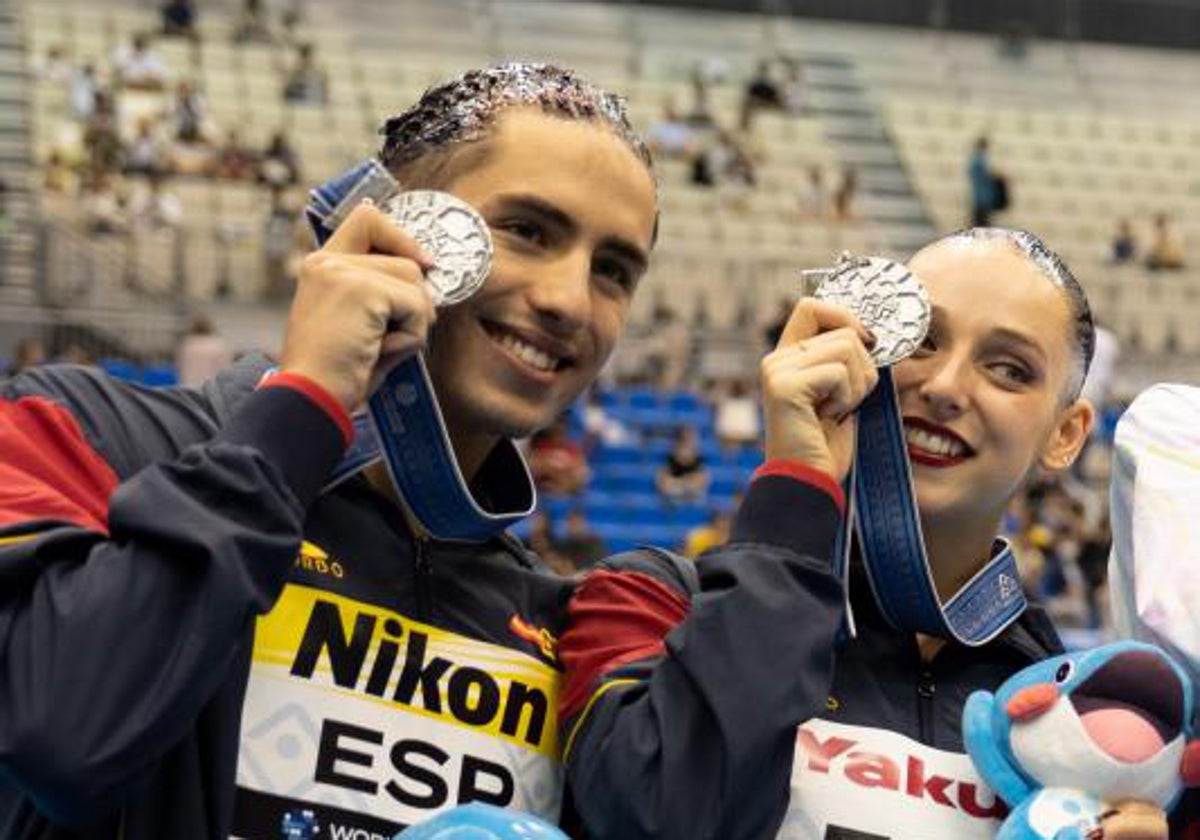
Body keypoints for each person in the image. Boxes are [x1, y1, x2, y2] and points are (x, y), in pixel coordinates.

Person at [0, 62, 657, 838]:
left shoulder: (552, 623)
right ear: (389, 223)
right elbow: (60, 735)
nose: (568, 301)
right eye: (526, 230)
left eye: (612, 271)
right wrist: (306, 403)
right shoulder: (77, 431)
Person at [557, 228, 1176, 840]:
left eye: (1010, 370)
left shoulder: (1071, 716)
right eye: (923, 341)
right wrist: (795, 490)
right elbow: (651, 817)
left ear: (1066, 435)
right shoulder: (651, 603)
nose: (944, 387)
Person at [175, 313, 234, 387]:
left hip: (188, 388)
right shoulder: (219, 344)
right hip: (212, 390)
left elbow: (179, 368)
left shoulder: (187, 344)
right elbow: (226, 371)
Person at [656, 426, 709, 504]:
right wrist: (686, 483)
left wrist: (676, 484)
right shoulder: (667, 463)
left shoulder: (700, 465)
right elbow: (664, 485)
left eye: (689, 444)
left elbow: (700, 484)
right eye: (683, 445)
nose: (685, 451)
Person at [968, 135, 997, 226]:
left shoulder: (980, 158)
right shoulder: (978, 159)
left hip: (982, 197)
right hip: (981, 197)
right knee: (981, 224)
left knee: (981, 222)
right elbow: (984, 175)